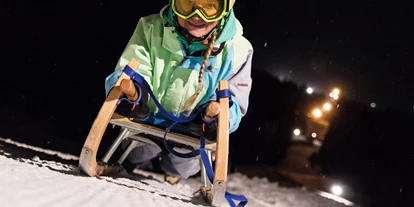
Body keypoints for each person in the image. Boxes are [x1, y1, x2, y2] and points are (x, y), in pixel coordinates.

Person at [104, 0, 253, 183]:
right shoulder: (151, 28)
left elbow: (234, 100)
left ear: (224, 11)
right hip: (148, 118)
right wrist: (134, 93)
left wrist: (220, 118)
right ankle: (128, 161)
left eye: (209, 7)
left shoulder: (238, 51)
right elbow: (133, 66)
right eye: (187, 3)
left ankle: (173, 173)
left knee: (182, 165)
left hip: (192, 129)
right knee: (137, 153)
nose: (196, 15)